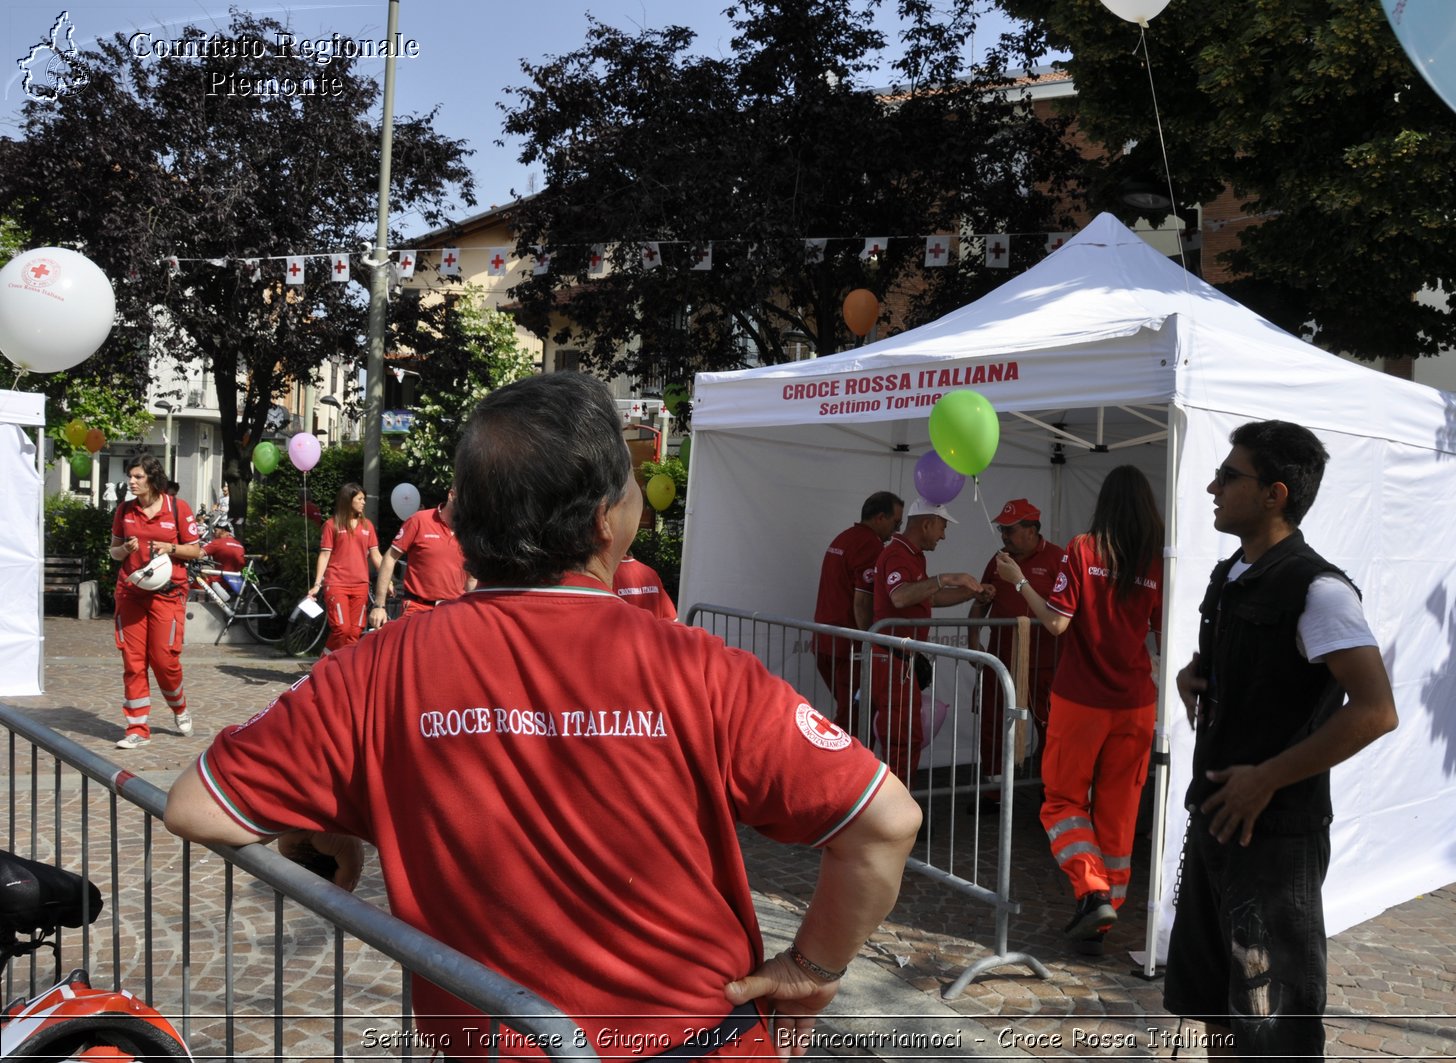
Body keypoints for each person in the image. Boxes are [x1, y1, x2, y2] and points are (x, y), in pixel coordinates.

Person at [163, 371, 921, 1060]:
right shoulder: (698, 666)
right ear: (603, 521)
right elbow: (884, 821)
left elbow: (198, 805)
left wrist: (331, 816)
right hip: (696, 1042)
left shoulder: (377, 667)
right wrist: (812, 968)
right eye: (630, 485)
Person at [1162, 421, 1397, 1060]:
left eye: (1229, 476)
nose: (1213, 486)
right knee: (1212, 1001)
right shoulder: (1230, 575)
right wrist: (1195, 676)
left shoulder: (1319, 589)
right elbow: (1241, 666)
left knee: (1274, 1029)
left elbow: (1376, 711)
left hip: (1274, 839)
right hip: (1212, 822)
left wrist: (1267, 777)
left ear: (1275, 494)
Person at [994, 468, 1163, 954]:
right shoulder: (1154, 560)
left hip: (1081, 699)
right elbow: (1162, 630)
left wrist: (1019, 580)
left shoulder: (1084, 549)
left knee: (1062, 801)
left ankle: (1091, 894)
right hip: (1135, 702)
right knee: (1118, 814)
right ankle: (1102, 921)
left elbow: (1056, 623)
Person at [870, 498, 988, 785]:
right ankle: (894, 809)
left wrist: (973, 593)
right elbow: (900, 596)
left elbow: (929, 597)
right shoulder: (898, 554)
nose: (943, 535)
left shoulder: (913, 555)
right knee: (901, 736)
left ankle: (897, 804)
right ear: (927, 524)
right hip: (893, 660)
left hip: (902, 661)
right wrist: (946, 577)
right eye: (942, 527)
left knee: (907, 734)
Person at [966, 498, 1065, 810]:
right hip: (1002, 660)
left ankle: (1052, 794)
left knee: (1050, 728)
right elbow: (981, 600)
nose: (1004, 535)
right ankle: (995, 793)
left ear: (1032, 530)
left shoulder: (1057, 558)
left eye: (1010, 529)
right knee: (994, 725)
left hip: (1045, 663)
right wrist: (972, 638)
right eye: (1002, 528)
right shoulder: (1000, 559)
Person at [108, 456, 202, 749]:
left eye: (137, 476)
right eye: (130, 476)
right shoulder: (124, 510)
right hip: (131, 593)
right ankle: (137, 727)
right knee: (133, 660)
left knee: (164, 659)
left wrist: (170, 547)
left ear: (152, 478)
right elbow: (113, 553)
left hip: (168, 593)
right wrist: (124, 548)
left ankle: (179, 707)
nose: (131, 482)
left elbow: (196, 551)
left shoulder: (177, 508)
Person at [813, 492, 903, 732]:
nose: (896, 531)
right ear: (881, 518)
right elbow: (862, 601)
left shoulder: (844, 537)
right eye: (896, 523)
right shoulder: (869, 544)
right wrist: (870, 643)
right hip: (848, 645)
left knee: (851, 711)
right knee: (855, 717)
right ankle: (849, 768)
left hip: (827, 639)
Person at [369, 487, 475, 628]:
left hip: (453, 612)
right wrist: (379, 605)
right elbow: (390, 557)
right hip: (417, 610)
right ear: (451, 495)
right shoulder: (419, 520)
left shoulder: (470, 532)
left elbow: (471, 578)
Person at [308, 483, 380, 652]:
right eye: (360, 499)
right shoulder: (331, 525)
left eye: (364, 499)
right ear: (348, 500)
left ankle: (335, 668)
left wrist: (388, 581)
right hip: (336, 584)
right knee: (342, 629)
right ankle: (332, 669)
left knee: (354, 632)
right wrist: (317, 584)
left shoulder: (367, 526)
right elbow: (324, 555)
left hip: (360, 585)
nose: (364, 503)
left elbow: (376, 555)